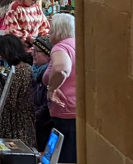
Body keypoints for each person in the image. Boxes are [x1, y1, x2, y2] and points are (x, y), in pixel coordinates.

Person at [0, 35, 36, 148]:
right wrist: (0, 77)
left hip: (16, 124)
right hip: (24, 122)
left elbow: (8, 101)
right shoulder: (26, 67)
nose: (1, 58)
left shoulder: (18, 72)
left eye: (1, 54)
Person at [43, 13, 76, 163]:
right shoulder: (76, 44)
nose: (48, 32)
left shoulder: (61, 47)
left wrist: (51, 88)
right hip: (76, 111)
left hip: (65, 110)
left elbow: (62, 68)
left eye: (51, 29)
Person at [32, 36, 54, 151]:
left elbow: (47, 106)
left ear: (48, 56)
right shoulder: (36, 71)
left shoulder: (48, 75)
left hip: (44, 126)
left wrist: (33, 118)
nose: (33, 54)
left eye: (37, 51)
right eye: (33, 50)